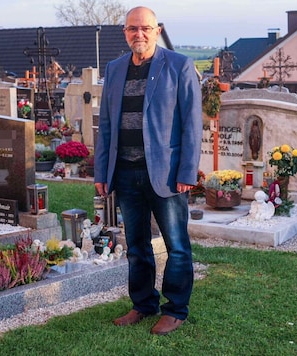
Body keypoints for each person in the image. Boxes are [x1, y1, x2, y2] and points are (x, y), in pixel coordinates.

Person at [94, 6, 202, 335]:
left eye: (145, 28)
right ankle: (143, 304)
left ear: (157, 30)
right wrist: (102, 172)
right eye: (131, 29)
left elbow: (191, 124)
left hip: (166, 174)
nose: (138, 34)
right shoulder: (114, 69)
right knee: (136, 245)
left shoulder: (179, 66)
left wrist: (187, 172)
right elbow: (106, 124)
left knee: (176, 245)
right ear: (125, 33)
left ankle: (176, 309)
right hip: (125, 173)